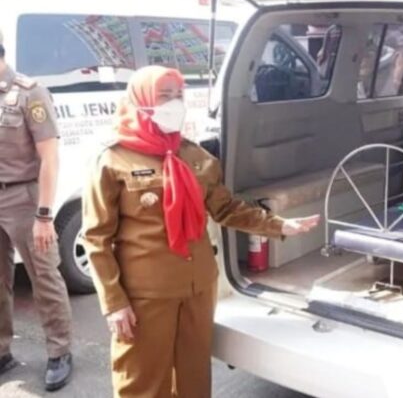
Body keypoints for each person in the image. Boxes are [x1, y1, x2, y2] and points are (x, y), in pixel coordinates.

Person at [82, 66, 320, 397]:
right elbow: (96, 238)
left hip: (198, 287)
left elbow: (226, 208)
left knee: (193, 378)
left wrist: (278, 224)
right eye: (164, 95)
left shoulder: (195, 156)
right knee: (142, 381)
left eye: (178, 95)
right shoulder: (114, 160)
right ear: (140, 100)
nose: (174, 103)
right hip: (146, 295)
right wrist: (113, 302)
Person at [0, 29, 73, 391]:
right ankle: (2, 351)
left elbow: (49, 158)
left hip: (24, 199)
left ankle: (60, 351)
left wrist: (44, 216)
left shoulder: (30, 93)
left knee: (43, 277)